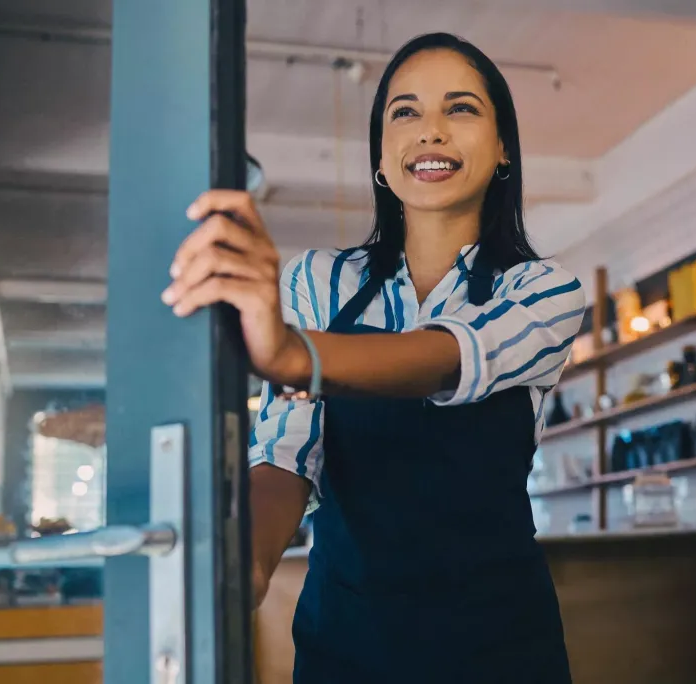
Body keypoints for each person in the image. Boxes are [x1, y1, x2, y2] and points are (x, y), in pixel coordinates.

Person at [163, 32, 585, 684]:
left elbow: (447, 357)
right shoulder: (318, 283)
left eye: (461, 108)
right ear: (382, 158)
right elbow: (285, 454)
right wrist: (246, 562)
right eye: (405, 112)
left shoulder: (543, 290)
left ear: (504, 147)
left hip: (499, 645)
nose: (431, 130)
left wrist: (292, 354)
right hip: (348, 640)